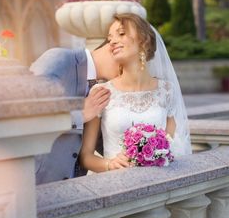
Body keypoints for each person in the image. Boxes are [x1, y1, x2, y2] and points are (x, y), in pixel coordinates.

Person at [79, 13, 192, 172]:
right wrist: (109, 164)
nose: (112, 42)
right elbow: (85, 156)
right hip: (114, 184)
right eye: (110, 38)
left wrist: (159, 155)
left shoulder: (166, 91)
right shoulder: (102, 92)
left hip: (156, 182)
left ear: (143, 40)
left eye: (121, 33)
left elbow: (173, 145)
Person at [30, 42, 120, 183]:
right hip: (36, 184)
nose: (125, 71)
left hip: (73, 189)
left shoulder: (100, 88)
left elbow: (101, 140)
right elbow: (29, 112)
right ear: (113, 48)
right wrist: (81, 114)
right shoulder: (58, 59)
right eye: (124, 64)